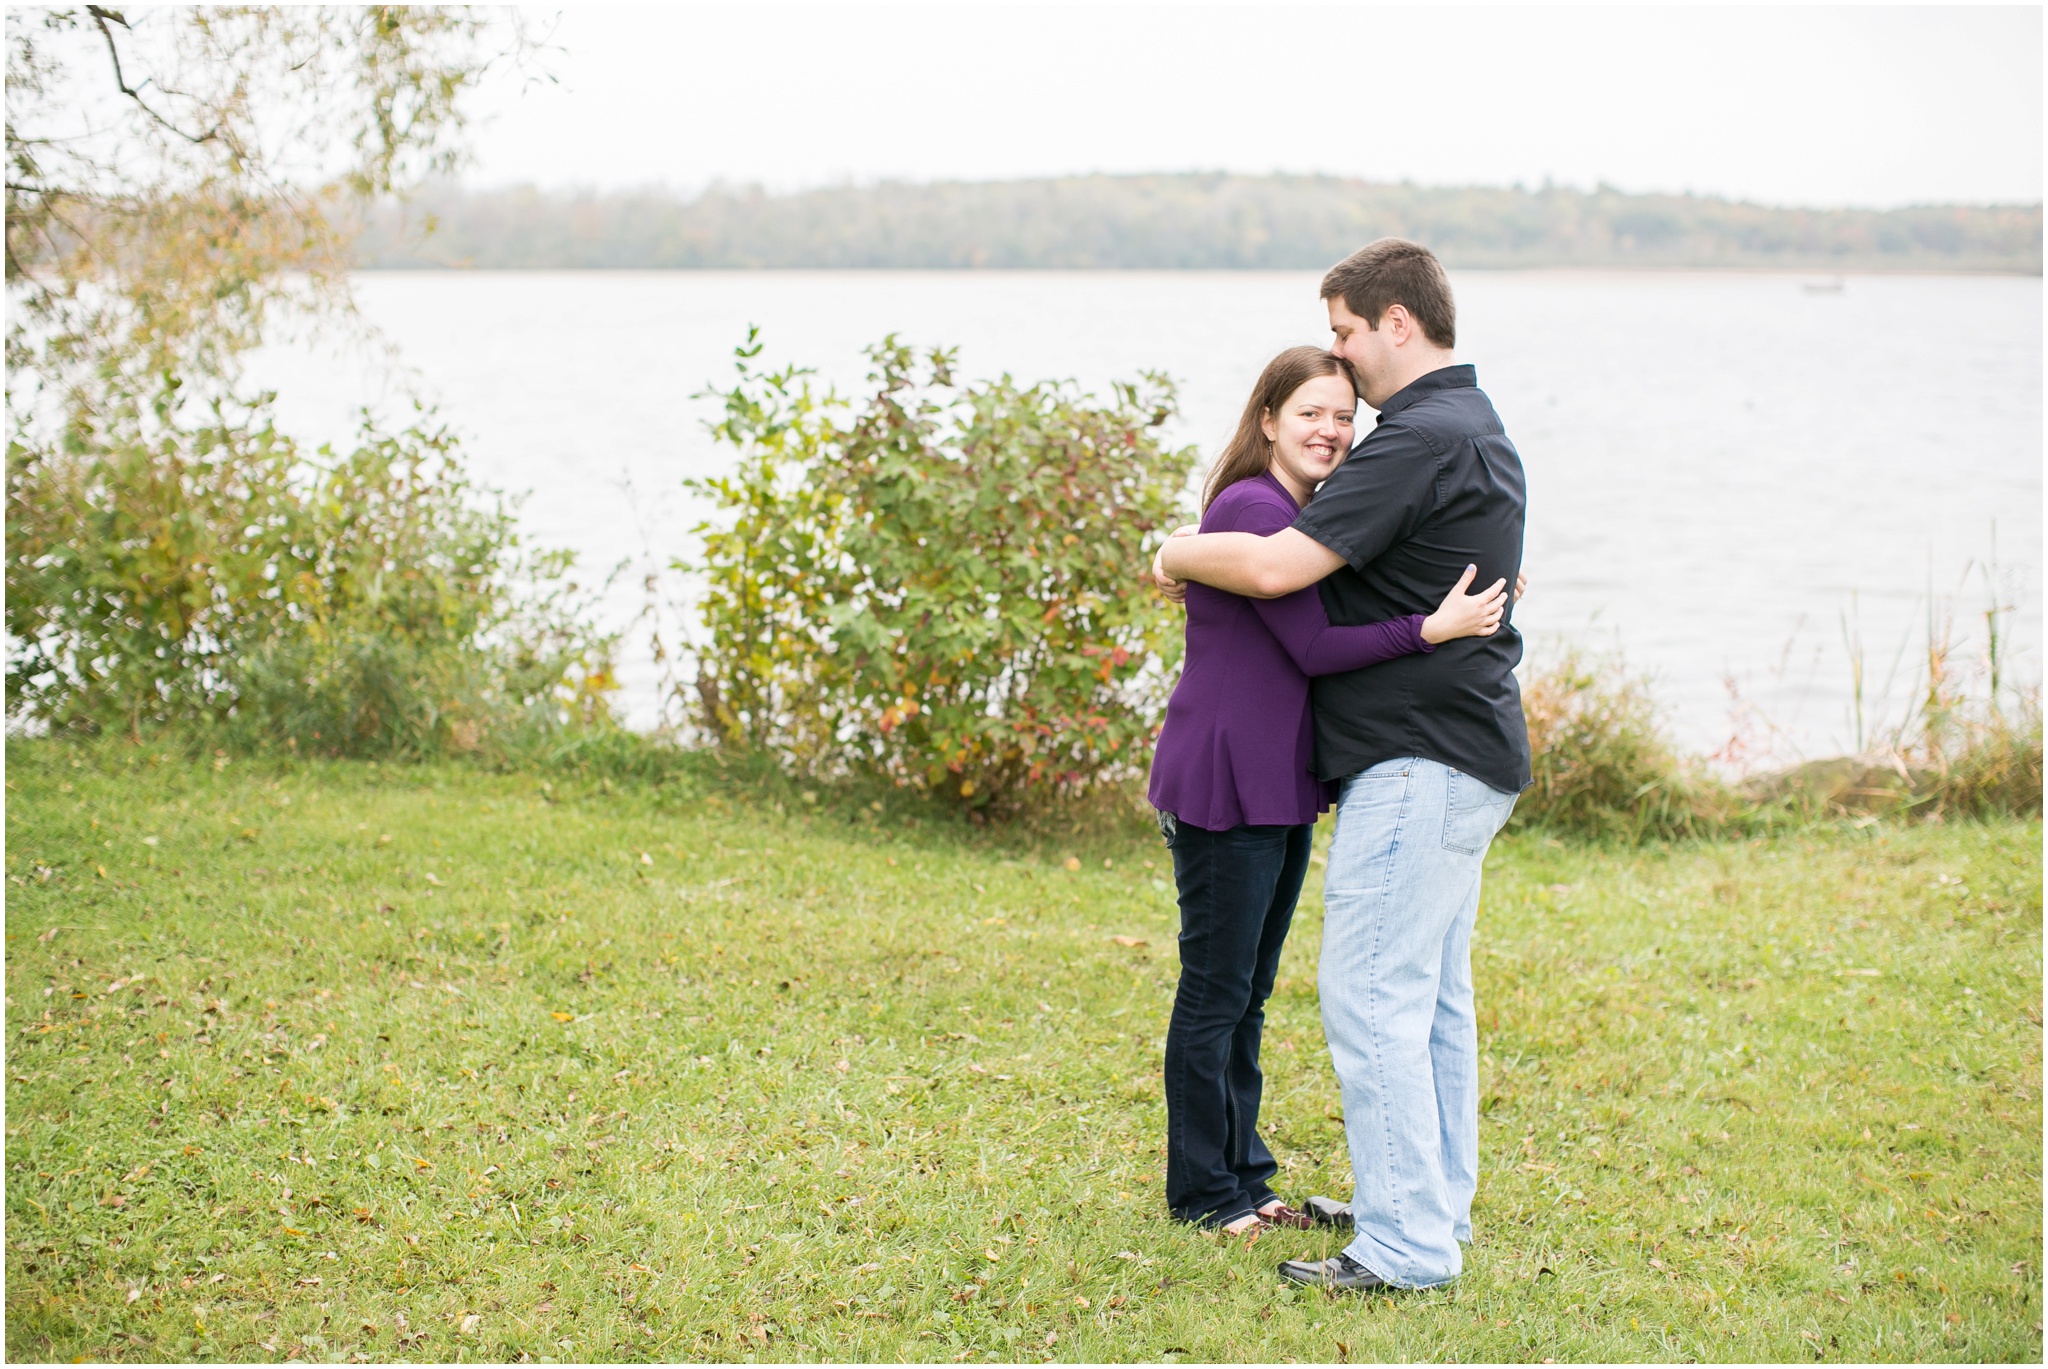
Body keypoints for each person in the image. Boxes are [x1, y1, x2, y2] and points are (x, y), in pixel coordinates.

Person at [1154, 239, 1530, 1291]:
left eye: (1345, 333)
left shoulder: (1413, 438)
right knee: (1429, 999)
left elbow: (1276, 569)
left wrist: (1168, 549)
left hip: (1420, 759)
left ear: (1394, 324)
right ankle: (1422, 1207)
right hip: (1463, 751)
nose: (1339, 359)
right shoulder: (1475, 425)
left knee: (1369, 996)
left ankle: (1406, 1244)